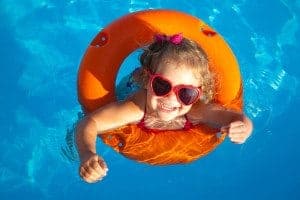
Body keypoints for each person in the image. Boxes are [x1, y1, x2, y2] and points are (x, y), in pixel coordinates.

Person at [76, 33, 253, 183]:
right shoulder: (137, 107)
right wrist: (86, 154)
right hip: (133, 87)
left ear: (199, 93)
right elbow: (89, 123)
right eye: (162, 85)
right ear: (148, 80)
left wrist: (244, 126)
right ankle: (141, 77)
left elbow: (233, 117)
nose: (170, 98)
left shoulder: (196, 110)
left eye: (186, 93)